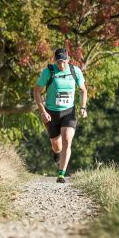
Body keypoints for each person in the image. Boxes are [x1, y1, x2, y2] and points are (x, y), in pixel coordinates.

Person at [33, 48, 88, 183]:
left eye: (63, 62)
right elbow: (36, 91)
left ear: (68, 60)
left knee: (67, 140)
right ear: (55, 61)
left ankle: (61, 175)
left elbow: (83, 90)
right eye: (59, 62)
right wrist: (43, 111)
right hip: (51, 113)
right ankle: (56, 153)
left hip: (68, 112)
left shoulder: (75, 71)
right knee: (57, 146)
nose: (61, 65)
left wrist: (83, 107)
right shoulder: (48, 72)